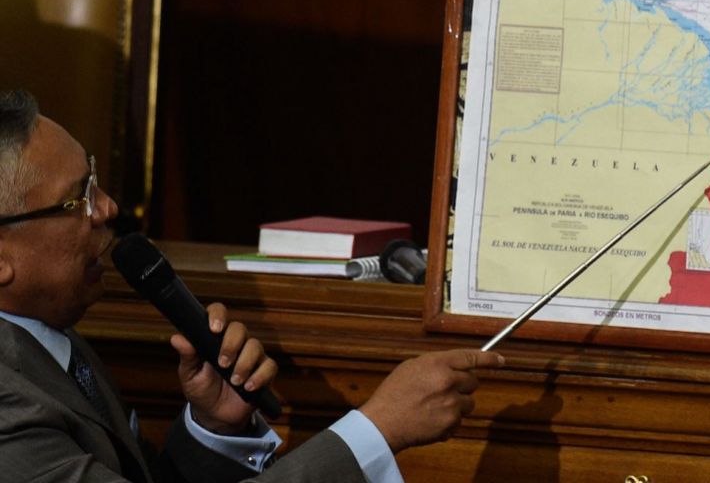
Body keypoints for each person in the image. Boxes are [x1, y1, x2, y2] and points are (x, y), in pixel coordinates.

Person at [0, 89, 503, 482]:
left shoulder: (50, 340)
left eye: (94, 181)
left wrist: (213, 428)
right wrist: (377, 429)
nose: (107, 207)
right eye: (78, 200)